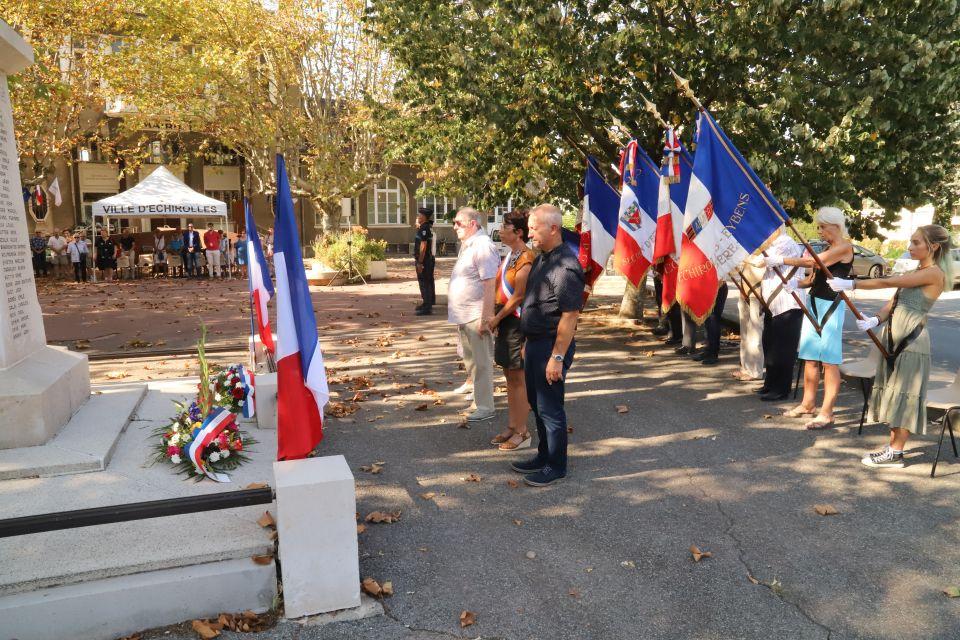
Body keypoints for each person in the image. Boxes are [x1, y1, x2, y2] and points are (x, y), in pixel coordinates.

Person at [828, 225, 953, 468]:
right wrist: (876, 319)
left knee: (904, 397)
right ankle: (892, 448)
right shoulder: (920, 269)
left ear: (933, 247)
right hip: (895, 341)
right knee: (895, 394)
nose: (910, 247)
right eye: (911, 241)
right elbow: (894, 300)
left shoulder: (934, 273)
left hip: (912, 343)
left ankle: (896, 453)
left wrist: (852, 285)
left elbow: (890, 281)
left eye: (916, 242)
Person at [511, 204, 585, 487]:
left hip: (551, 347)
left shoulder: (566, 266)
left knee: (551, 409)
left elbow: (569, 316)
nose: (529, 232)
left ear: (553, 228)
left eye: (534, 227)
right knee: (536, 404)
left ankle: (556, 465)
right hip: (536, 344)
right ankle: (543, 455)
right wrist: (528, 343)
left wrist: (557, 357)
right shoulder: (543, 259)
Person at [764, 206, 853, 430]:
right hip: (814, 302)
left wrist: (781, 259)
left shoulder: (844, 247)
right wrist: (795, 284)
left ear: (835, 226)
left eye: (823, 227)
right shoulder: (828, 246)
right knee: (810, 357)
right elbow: (813, 278)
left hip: (831, 306)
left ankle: (827, 412)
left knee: (829, 361)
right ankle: (808, 403)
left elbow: (814, 263)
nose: (820, 231)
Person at [487, 209, 535, 451]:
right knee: (509, 377)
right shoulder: (510, 255)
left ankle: (523, 432)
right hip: (505, 322)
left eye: (505, 226)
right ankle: (512, 425)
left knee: (518, 379)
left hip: (516, 322)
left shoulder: (526, 257)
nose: (500, 229)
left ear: (517, 232)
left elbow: (518, 297)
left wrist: (496, 318)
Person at [447, 206, 500, 423]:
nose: (454, 227)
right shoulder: (468, 245)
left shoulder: (483, 246)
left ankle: (486, 406)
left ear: (473, 224)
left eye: (459, 223)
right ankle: (478, 401)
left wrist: (486, 317)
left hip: (476, 315)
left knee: (482, 362)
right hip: (464, 314)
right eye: (454, 223)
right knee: (471, 361)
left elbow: (490, 283)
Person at [754, 227, 803, 400]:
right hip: (773, 305)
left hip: (787, 305)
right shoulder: (772, 243)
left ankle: (781, 389)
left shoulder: (784, 242)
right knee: (770, 346)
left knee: (783, 349)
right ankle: (770, 383)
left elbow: (760, 262)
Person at [733, 261, 765, 382]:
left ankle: (755, 371)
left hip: (757, 291)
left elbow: (762, 265)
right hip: (744, 290)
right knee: (745, 334)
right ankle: (745, 368)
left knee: (755, 334)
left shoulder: (765, 246)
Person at [692, 280, 728, 366]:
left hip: (717, 287)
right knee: (707, 321)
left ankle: (713, 353)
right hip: (705, 287)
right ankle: (708, 350)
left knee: (713, 320)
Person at [414, 207, 436, 316]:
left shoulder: (424, 228)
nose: (418, 216)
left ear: (424, 217)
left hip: (425, 260)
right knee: (428, 281)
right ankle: (428, 303)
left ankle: (427, 307)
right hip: (429, 259)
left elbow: (423, 245)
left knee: (424, 282)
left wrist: (420, 262)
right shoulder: (427, 227)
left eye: (419, 215)